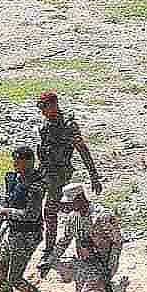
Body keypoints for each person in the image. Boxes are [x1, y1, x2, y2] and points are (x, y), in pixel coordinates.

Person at [30, 92, 103, 272]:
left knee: (50, 210)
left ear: (54, 104)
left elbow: (82, 149)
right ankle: (40, 240)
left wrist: (94, 175)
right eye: (40, 108)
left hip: (59, 174)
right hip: (45, 170)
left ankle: (49, 249)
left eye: (44, 107)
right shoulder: (47, 124)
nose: (42, 112)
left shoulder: (68, 126)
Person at [0, 149, 57, 292]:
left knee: (15, 278)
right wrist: (3, 209)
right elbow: (10, 200)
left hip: (27, 235)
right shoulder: (14, 179)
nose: (15, 165)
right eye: (15, 161)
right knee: (2, 274)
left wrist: (6, 212)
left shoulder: (36, 185)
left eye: (18, 162)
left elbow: (31, 215)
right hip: (13, 231)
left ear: (29, 162)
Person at [57, 185, 128, 292]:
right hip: (84, 264)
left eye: (70, 203)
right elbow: (64, 240)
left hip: (100, 265)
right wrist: (50, 259)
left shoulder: (102, 216)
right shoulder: (73, 218)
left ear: (80, 198)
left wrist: (110, 267)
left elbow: (118, 241)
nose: (67, 207)